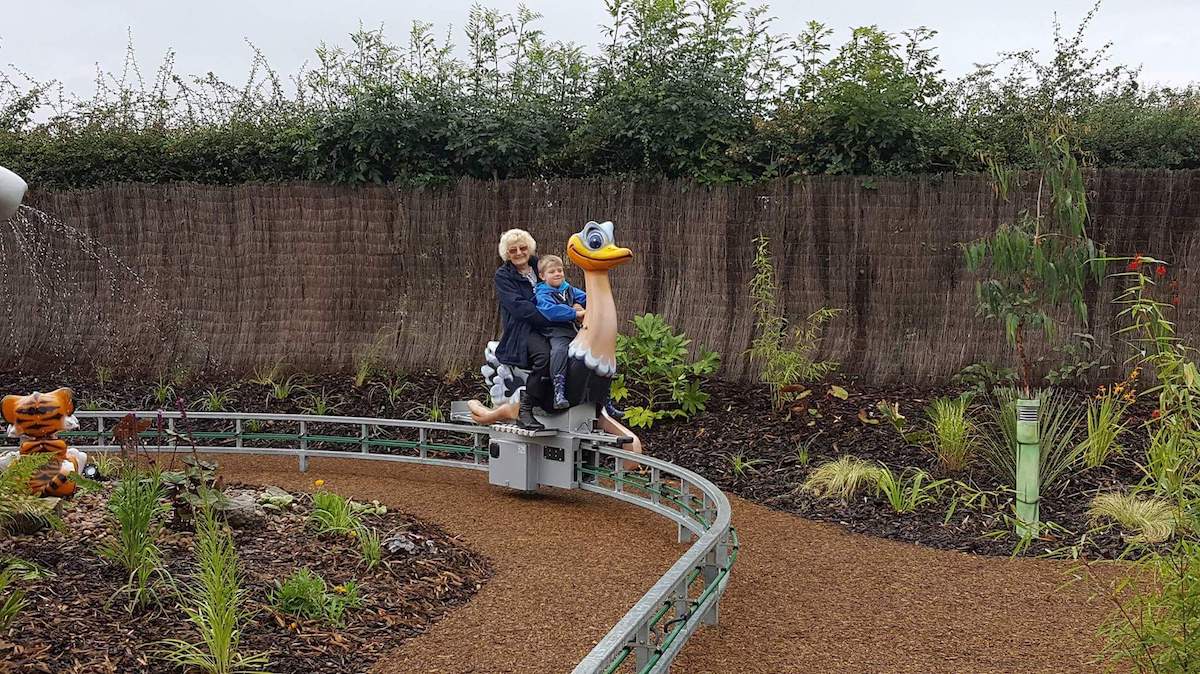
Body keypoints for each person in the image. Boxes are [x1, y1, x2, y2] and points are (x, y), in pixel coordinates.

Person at [492, 228, 552, 430]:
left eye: (522, 248)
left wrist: (576, 303)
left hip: (551, 323)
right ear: (506, 254)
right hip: (523, 329)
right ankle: (525, 410)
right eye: (513, 250)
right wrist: (550, 316)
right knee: (544, 355)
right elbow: (519, 307)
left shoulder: (541, 266)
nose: (518, 253)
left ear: (530, 249)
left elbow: (561, 285)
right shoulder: (503, 276)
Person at [534, 255, 587, 409]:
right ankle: (558, 391)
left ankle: (603, 398)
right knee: (559, 350)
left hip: (575, 331)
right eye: (552, 272)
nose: (557, 274)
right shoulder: (542, 294)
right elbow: (551, 311)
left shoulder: (568, 289)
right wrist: (574, 313)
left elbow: (586, 297)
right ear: (542, 276)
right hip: (556, 332)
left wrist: (583, 305)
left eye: (560, 270)